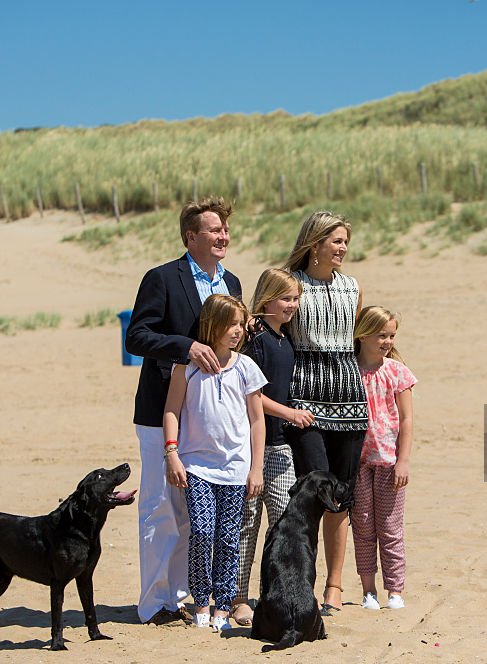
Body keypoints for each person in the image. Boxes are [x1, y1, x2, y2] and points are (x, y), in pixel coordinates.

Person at [125, 197, 242, 625]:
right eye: (214, 230)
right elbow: (136, 336)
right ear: (190, 236)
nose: (223, 236)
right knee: (161, 506)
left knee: (195, 513)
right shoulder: (161, 278)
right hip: (162, 412)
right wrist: (185, 346)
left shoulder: (232, 283)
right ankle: (155, 603)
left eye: (226, 229)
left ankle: (180, 597)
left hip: (209, 418)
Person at [163, 294, 267, 632]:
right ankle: (201, 602)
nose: (237, 331)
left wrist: (256, 468)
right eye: (230, 324)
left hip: (236, 469)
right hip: (196, 467)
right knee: (203, 532)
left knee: (228, 537)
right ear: (212, 324)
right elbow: (171, 411)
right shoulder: (187, 367)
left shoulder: (246, 367)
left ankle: (224, 605)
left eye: (240, 324)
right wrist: (172, 453)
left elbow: (256, 420)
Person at [282, 211, 368, 615]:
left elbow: (359, 341)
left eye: (345, 241)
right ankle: (303, 581)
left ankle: (334, 585)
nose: (343, 248)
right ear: (314, 243)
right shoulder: (291, 284)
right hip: (305, 403)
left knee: (341, 496)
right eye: (336, 241)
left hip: (350, 400)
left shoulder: (353, 287)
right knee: (312, 494)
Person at [230, 269, 315, 626]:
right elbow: (254, 397)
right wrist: (290, 413)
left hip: (280, 448)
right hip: (252, 447)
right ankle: (238, 599)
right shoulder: (258, 342)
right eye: (286, 299)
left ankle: (275, 593)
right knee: (247, 524)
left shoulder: (285, 339)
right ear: (266, 300)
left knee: (284, 523)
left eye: (295, 299)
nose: (292, 305)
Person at [350, 306, 416, 611]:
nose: (387, 341)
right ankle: (368, 591)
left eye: (391, 335)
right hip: (358, 465)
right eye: (380, 335)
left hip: (390, 463)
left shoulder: (398, 372)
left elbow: (407, 419)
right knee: (363, 528)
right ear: (362, 335)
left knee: (390, 528)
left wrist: (403, 461)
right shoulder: (348, 370)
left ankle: (395, 589)